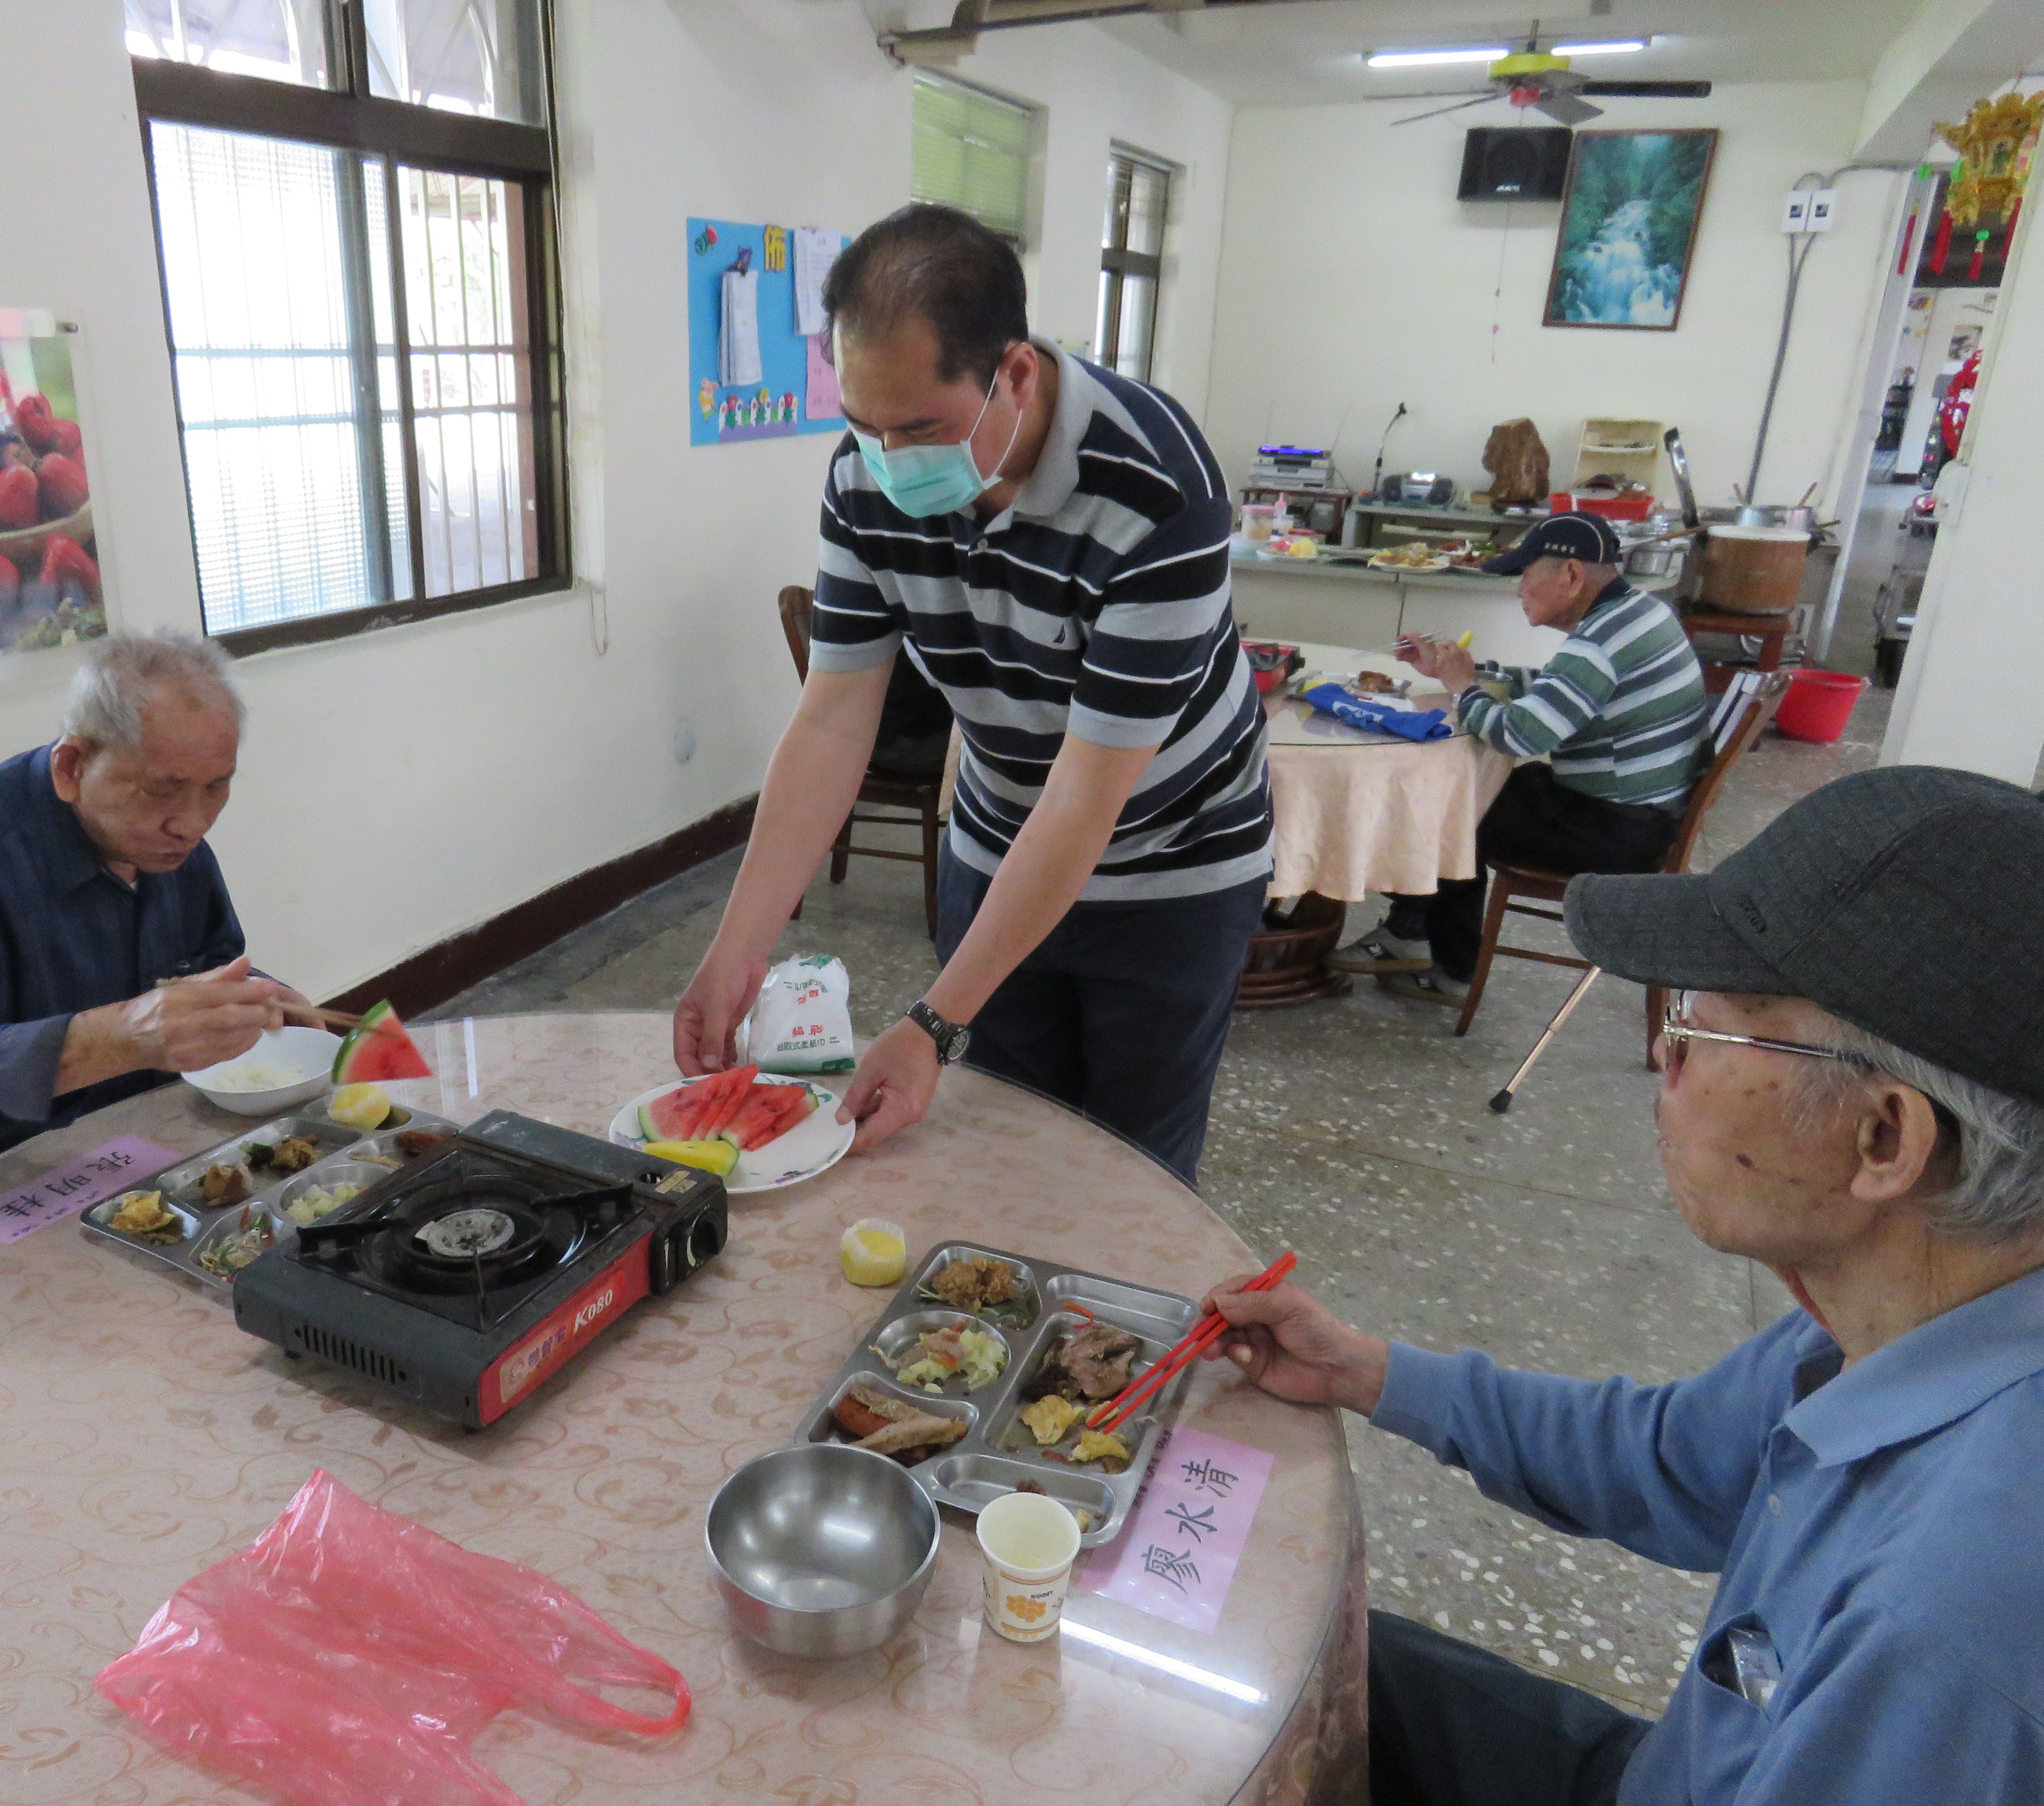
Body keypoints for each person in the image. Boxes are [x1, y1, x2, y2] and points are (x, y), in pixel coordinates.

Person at [1200, 766, 2044, 1804]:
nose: (1667, 1058)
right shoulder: (1891, 1309)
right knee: (1256, 1625)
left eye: (1704, 1020)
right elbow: (1669, 1464)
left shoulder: (1952, 1622)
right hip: (1675, 1770)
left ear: (1885, 1135)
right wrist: (1368, 1372)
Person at [673, 204, 1272, 1184]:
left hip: (1171, 864)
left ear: (1016, 373)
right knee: (994, 1148)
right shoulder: (863, 481)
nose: (890, 460)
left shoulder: (1156, 487)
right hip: (996, 839)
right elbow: (831, 720)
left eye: (921, 428)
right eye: (862, 426)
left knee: (1129, 1176)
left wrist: (932, 1023)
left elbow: (1085, 796)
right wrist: (735, 952)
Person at [0, 633, 311, 1228]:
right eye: (161, 790)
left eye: (217, 787)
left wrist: (241, 998)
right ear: (72, 767)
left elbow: (199, 965)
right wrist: (116, 1038)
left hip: (125, 1157)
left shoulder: (169, 846)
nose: (193, 823)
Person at [1331, 511, 1707, 1011]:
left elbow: (1520, 733)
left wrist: (1462, 687)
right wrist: (1466, 671)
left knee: (1459, 807)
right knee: (1474, 793)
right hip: (1643, 811)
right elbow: (1557, 690)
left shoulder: (1598, 643)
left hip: (1618, 830)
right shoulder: (1637, 614)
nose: (1519, 592)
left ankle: (1439, 956)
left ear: (1571, 576)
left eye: (1526, 576)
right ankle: (1415, 926)